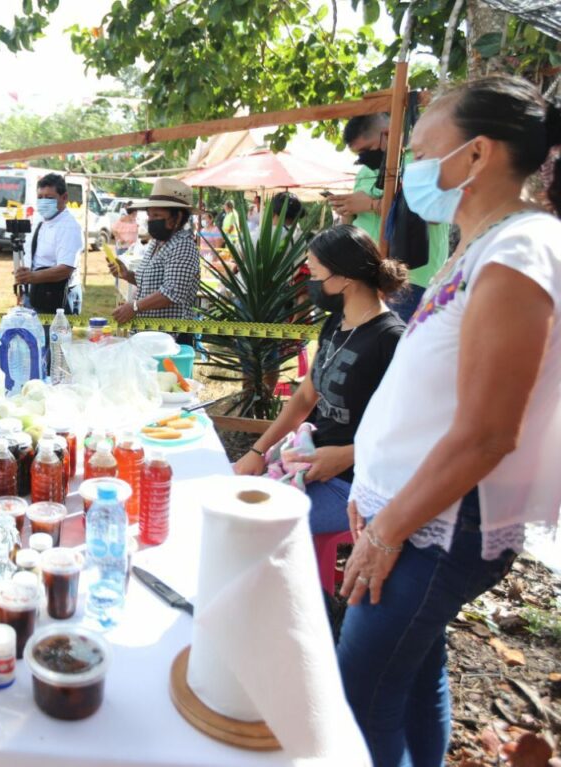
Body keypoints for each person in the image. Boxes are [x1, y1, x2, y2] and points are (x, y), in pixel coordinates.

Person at [336, 75, 561, 766]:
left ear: (476, 155)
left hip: (436, 528)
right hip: (411, 513)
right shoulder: (479, 244)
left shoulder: (519, 251)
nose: (408, 168)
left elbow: (490, 429)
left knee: (358, 701)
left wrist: (389, 527)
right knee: (412, 675)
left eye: (426, 146)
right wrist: (370, 490)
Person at [233, 225, 407, 533]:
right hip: (308, 463)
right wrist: (257, 451)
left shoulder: (390, 339)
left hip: (354, 484)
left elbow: (411, 431)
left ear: (345, 277)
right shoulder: (335, 324)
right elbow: (304, 396)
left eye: (314, 274)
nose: (311, 283)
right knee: (232, 506)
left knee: (251, 526)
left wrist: (346, 455)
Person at [331, 112, 451, 321]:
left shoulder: (420, 161)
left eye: (367, 149)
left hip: (411, 279)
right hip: (368, 278)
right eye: (358, 154)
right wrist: (347, 209)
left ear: (388, 134)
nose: (364, 158)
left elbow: (435, 213)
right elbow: (353, 223)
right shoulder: (364, 172)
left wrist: (371, 204)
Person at [108, 178, 201, 346]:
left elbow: (171, 292)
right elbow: (152, 282)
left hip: (171, 339)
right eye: (150, 215)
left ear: (177, 217)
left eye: (157, 215)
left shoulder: (183, 245)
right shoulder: (156, 243)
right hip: (150, 336)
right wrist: (127, 275)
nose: (151, 220)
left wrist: (134, 307)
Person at [14, 173, 83, 315]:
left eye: (50, 198)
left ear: (64, 198)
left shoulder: (69, 227)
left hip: (57, 295)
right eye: (40, 197)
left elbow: (65, 269)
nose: (44, 202)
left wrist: (32, 277)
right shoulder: (40, 220)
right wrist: (23, 283)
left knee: (52, 336)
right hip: (35, 291)